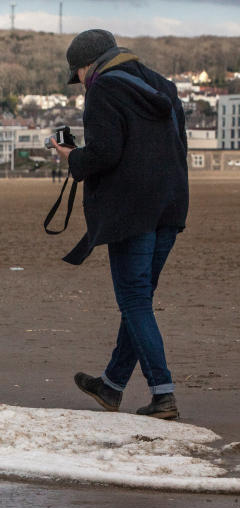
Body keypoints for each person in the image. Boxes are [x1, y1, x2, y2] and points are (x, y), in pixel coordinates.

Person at [50, 29, 188, 420]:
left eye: (77, 75)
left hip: (132, 211)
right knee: (138, 301)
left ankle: (163, 395)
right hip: (171, 205)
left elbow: (106, 153)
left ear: (85, 65)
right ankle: (111, 385)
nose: (80, 84)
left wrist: (72, 156)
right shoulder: (162, 85)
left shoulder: (104, 90)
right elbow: (177, 149)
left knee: (133, 301)